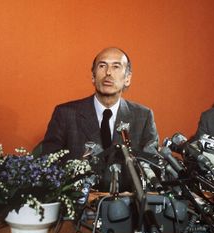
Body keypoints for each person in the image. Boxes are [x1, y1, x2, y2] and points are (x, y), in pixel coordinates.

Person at [42, 47, 158, 191]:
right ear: (93, 76)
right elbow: (48, 164)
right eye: (102, 66)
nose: (108, 72)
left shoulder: (143, 116)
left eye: (116, 66)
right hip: (80, 205)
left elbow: (152, 166)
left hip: (129, 206)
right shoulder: (65, 114)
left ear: (127, 78)